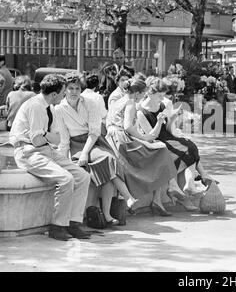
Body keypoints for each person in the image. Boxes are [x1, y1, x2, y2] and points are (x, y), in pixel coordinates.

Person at [9, 74, 92, 241]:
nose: (64, 96)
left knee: (83, 176)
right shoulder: (36, 106)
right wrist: (47, 136)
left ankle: (74, 222)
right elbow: (37, 141)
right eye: (62, 92)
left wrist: (45, 134)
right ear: (54, 94)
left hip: (46, 150)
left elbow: (57, 138)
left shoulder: (51, 108)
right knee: (66, 179)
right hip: (28, 152)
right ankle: (58, 226)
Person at [55, 73, 138, 226]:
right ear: (64, 90)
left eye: (77, 88)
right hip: (76, 146)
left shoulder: (90, 103)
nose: (74, 92)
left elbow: (94, 132)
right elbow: (64, 139)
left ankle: (109, 212)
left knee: (107, 160)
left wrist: (86, 152)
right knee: (104, 164)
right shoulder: (59, 109)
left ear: (81, 89)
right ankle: (126, 199)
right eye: (70, 88)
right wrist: (63, 162)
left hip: (94, 142)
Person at [105, 76, 187, 216]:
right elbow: (128, 127)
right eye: (143, 93)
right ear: (137, 93)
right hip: (122, 140)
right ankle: (165, 192)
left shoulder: (118, 101)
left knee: (159, 148)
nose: (143, 96)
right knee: (160, 151)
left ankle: (161, 195)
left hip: (111, 138)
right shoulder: (130, 102)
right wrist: (143, 138)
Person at [137, 77, 217, 209]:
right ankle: (188, 185)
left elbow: (167, 129)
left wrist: (172, 119)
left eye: (163, 96)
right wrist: (158, 122)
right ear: (150, 93)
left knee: (190, 146)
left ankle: (189, 184)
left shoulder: (161, 105)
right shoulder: (141, 112)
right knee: (180, 152)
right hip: (156, 141)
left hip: (166, 137)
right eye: (159, 96)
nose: (162, 99)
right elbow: (151, 136)